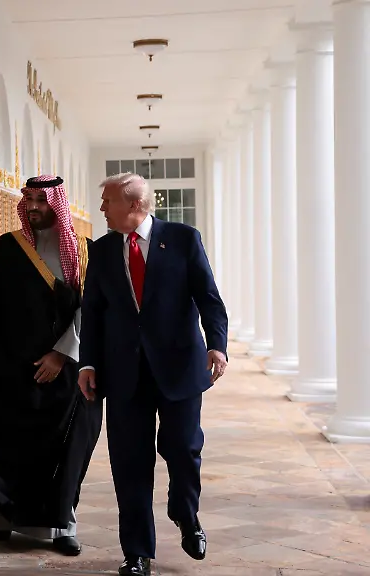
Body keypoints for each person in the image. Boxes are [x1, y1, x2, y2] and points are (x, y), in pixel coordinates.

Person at [77, 173, 228, 576]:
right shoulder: (104, 250)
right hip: (124, 373)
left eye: (107, 201)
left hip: (179, 366)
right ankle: (138, 553)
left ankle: (186, 513)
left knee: (183, 449)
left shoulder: (182, 238)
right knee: (129, 463)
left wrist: (217, 345)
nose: (102, 209)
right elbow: (92, 312)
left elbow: (208, 298)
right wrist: (88, 363)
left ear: (134, 206)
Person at [0, 175, 103, 556]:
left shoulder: (85, 252)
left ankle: (62, 524)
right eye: (28, 199)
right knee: (11, 445)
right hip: (17, 373)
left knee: (68, 449)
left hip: (70, 373)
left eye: (41, 200)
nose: (33, 207)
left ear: (57, 203)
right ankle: (5, 519)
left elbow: (94, 309)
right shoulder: (7, 248)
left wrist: (62, 353)